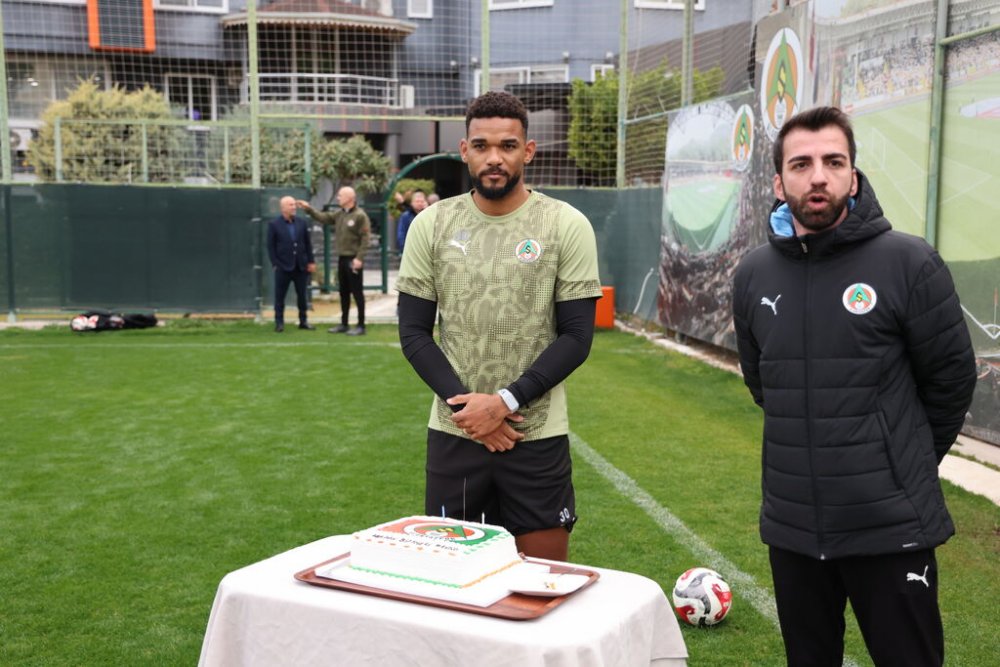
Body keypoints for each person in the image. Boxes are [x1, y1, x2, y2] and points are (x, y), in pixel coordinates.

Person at [732, 106, 977, 666]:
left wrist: (900, 459)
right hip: (793, 529)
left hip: (890, 528)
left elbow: (951, 380)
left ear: (854, 176)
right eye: (801, 164)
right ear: (779, 182)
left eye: (833, 162)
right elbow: (764, 383)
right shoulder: (753, 274)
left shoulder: (909, 262)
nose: (818, 176)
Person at [396, 91, 603, 561]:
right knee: (452, 581)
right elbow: (413, 333)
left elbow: (577, 336)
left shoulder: (565, 224)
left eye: (508, 146)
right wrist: (470, 412)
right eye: (482, 145)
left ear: (527, 151)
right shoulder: (432, 225)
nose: (495, 158)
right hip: (455, 433)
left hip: (535, 433)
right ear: (464, 150)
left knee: (542, 579)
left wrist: (504, 403)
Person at [297, 187, 371, 335]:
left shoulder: (360, 216)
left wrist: (359, 258)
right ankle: (344, 323)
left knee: (357, 293)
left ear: (350, 198)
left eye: (340, 195)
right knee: (343, 292)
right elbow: (324, 218)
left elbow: (365, 239)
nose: (338, 198)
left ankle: (361, 325)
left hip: (353, 259)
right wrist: (309, 209)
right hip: (342, 258)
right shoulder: (340, 214)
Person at [266, 196, 316, 332]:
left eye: (294, 205)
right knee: (280, 297)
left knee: (302, 295)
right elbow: (270, 246)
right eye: (290, 205)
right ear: (283, 208)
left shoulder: (302, 223)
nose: (294, 207)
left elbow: (307, 244)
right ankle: (279, 323)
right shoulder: (274, 224)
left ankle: (303, 321)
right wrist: (275, 263)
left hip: (301, 266)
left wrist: (311, 261)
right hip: (283, 267)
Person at [395, 189, 427, 255]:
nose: (420, 203)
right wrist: (404, 250)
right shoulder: (405, 216)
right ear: (412, 203)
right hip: (410, 251)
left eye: (422, 201)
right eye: (417, 201)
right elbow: (401, 234)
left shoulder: (429, 216)